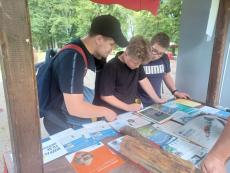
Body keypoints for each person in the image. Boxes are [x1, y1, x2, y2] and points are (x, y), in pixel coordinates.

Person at [43, 14, 128, 135]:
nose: (112, 49)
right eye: (111, 44)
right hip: (63, 124)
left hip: (76, 122)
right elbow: (75, 107)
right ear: (99, 39)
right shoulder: (73, 57)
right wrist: (106, 111)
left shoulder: (88, 54)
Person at [95, 36, 166, 114]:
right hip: (115, 112)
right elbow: (106, 95)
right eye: (136, 63)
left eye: (140, 64)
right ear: (126, 54)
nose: (138, 66)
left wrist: (156, 99)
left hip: (132, 109)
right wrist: (127, 107)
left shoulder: (137, 62)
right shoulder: (111, 67)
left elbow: (144, 81)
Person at [138, 32, 190, 107]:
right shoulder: (140, 58)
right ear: (150, 44)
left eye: (160, 53)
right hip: (138, 103)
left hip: (156, 102)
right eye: (154, 50)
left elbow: (166, 75)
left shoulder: (164, 58)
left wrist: (175, 91)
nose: (156, 56)